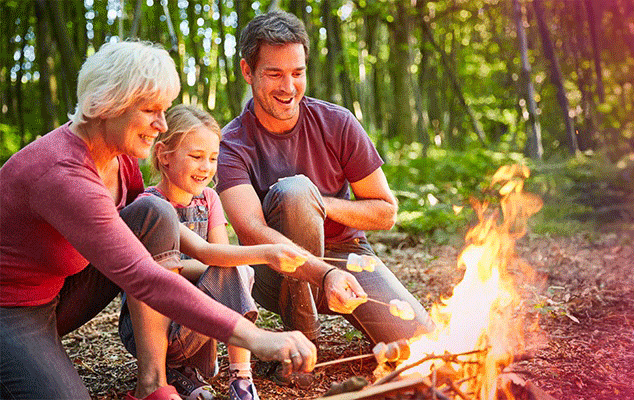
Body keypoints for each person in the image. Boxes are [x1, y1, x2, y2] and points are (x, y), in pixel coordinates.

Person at [0, 40, 315, 400]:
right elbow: (143, 276)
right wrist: (258, 337)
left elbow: (164, 240)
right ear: (106, 105)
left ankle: (153, 383)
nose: (160, 124)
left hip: (61, 290)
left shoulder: (121, 160)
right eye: (150, 110)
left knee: (155, 213)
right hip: (12, 309)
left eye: (163, 110)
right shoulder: (63, 174)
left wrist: (259, 259)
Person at [217, 10, 432, 351]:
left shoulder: (338, 123)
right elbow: (250, 230)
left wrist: (320, 208)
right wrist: (322, 269)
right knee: (296, 191)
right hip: (274, 270)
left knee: (421, 339)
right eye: (274, 74)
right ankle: (303, 342)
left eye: (297, 73)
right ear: (248, 71)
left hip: (347, 257)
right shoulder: (231, 144)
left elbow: (385, 212)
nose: (288, 88)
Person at [121, 105, 311, 400]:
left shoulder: (209, 199)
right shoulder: (151, 205)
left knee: (234, 268)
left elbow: (221, 255)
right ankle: (172, 371)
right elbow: (197, 260)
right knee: (233, 267)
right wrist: (267, 252)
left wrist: (233, 265)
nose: (206, 167)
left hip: (197, 319)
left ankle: (241, 378)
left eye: (212, 158)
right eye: (196, 157)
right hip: (158, 325)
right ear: (164, 155)